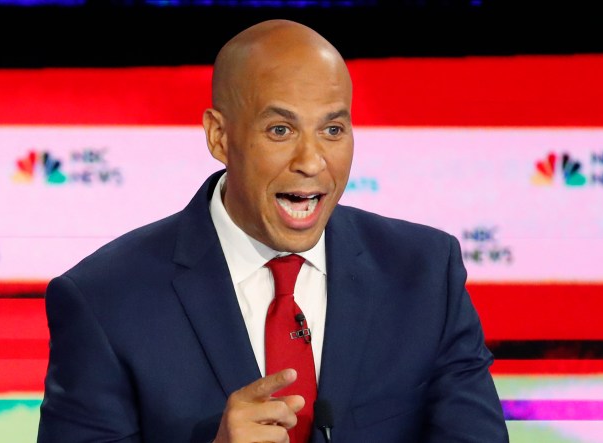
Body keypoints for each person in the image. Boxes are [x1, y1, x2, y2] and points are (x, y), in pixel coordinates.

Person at [37, 19, 509, 443]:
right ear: (220, 137)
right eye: (280, 130)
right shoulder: (104, 301)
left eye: (333, 130)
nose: (311, 162)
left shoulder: (425, 273)